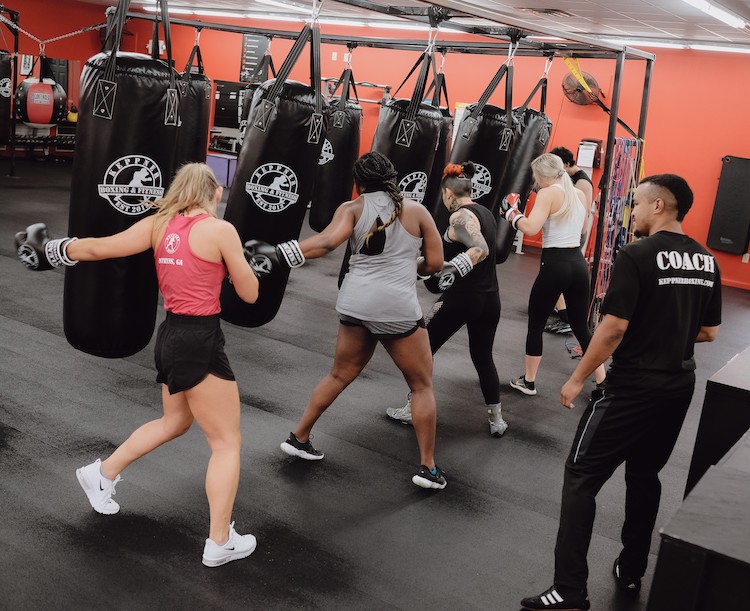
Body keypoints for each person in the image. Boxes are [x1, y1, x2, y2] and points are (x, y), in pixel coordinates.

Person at [15, 163, 261, 567]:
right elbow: (250, 294)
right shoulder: (220, 231)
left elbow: (98, 247)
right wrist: (246, 266)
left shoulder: (158, 225)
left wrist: (51, 250)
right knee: (226, 443)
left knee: (174, 423)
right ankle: (220, 541)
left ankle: (101, 474)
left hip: (170, 336)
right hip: (199, 338)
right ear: (214, 193)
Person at [520, 174, 722, 610]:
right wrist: (668, 332)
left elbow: (612, 329)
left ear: (659, 207)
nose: (632, 210)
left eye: (638, 201)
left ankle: (569, 590)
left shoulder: (637, 254)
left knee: (580, 480)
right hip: (677, 388)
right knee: (644, 476)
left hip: (630, 388)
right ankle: (631, 572)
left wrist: (577, 379)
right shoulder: (707, 261)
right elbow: (708, 331)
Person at [245, 151, 447, 489]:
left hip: (355, 303)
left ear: (359, 182)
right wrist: (413, 267)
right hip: (397, 308)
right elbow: (436, 264)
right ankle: (428, 468)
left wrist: (277, 253)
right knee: (421, 385)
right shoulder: (418, 211)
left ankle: (299, 437)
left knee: (339, 373)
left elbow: (325, 243)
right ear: (392, 178)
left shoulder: (352, 209)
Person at [385, 161, 507, 437]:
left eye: (443, 196)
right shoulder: (486, 213)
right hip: (491, 300)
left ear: (449, 194)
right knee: (483, 356)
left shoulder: (458, 218)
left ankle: (411, 408)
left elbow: (482, 249)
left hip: (462, 300)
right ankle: (496, 418)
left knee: (423, 349)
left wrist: (453, 269)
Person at [501, 153, 607, 396]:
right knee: (581, 326)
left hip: (555, 265)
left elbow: (530, 228)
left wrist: (511, 213)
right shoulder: (578, 193)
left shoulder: (548, 193)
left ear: (541, 175)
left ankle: (529, 382)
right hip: (578, 265)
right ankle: (603, 382)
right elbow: (581, 229)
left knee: (536, 324)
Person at [546, 146, 595, 335]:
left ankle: (566, 317)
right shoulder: (565, 178)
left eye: (558, 166)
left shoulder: (582, 183)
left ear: (566, 164)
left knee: (557, 274)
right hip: (563, 231)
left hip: (574, 234)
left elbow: (583, 212)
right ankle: (560, 308)